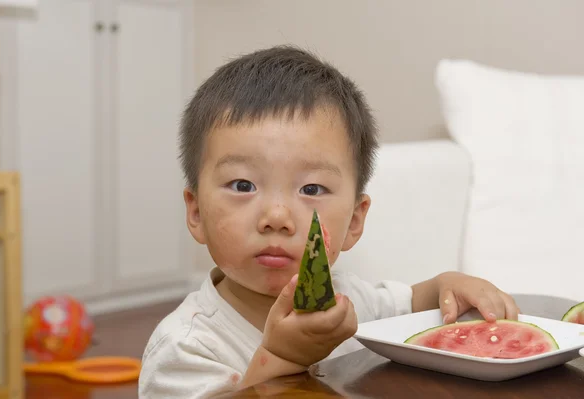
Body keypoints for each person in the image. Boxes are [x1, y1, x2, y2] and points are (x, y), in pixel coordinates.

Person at [138, 45, 519, 398]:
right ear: (196, 212)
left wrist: (446, 284)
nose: (277, 217)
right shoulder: (185, 348)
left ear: (355, 221)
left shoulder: (354, 301)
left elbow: (412, 302)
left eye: (312, 189)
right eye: (243, 184)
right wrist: (282, 357)